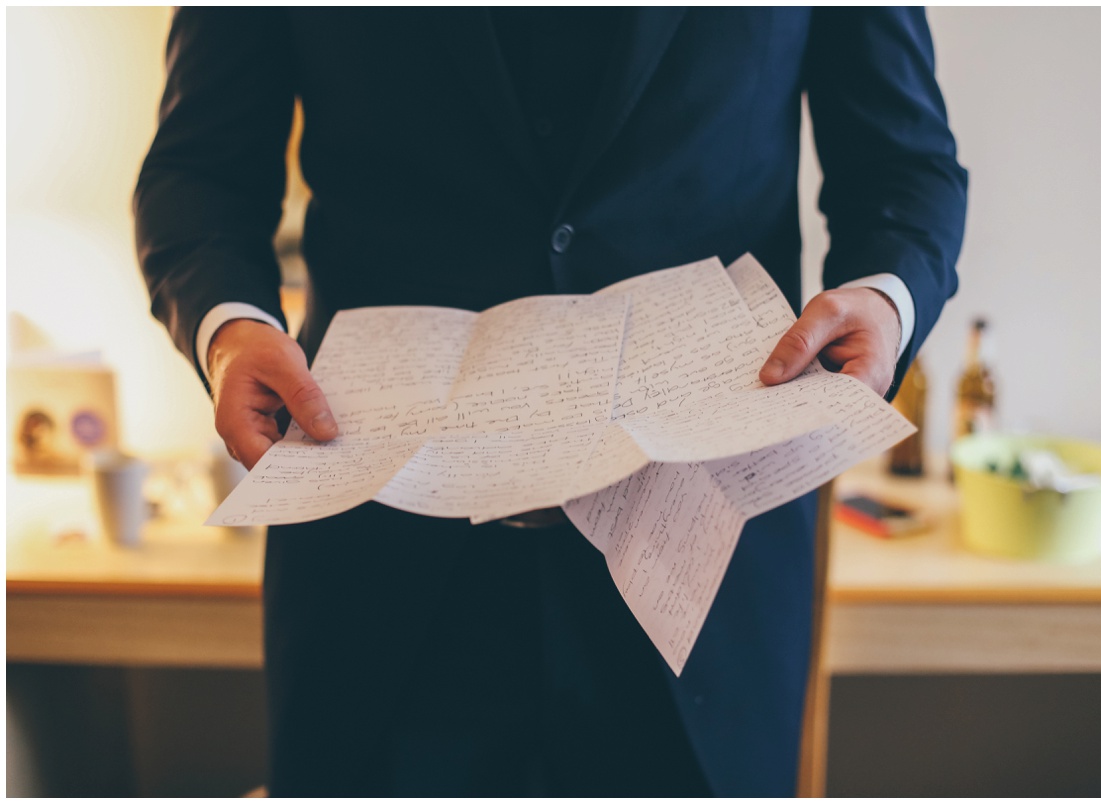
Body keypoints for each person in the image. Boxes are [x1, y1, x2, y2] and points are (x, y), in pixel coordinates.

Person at [135, 8, 966, 796]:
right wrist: (229, 327)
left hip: (705, 568)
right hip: (380, 566)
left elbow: (904, 164)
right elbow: (197, 170)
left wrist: (887, 297)